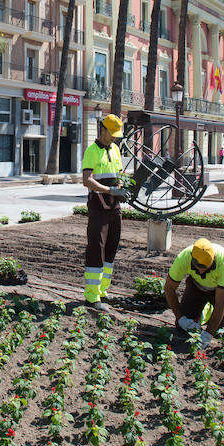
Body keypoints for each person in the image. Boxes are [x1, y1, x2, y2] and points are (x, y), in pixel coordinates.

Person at [81, 113, 126, 312]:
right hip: (98, 207)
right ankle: (91, 297)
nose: (115, 137)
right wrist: (109, 190)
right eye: (113, 133)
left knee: (111, 248)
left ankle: (102, 292)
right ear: (103, 130)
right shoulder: (92, 151)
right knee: (96, 249)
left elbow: (119, 175)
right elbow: (86, 180)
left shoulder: (115, 149)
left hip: (114, 207)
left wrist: (121, 187)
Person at [164, 237, 224, 348]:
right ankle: (203, 314)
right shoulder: (184, 257)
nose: (201, 271)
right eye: (198, 267)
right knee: (182, 327)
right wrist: (181, 319)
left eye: (206, 268)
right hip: (197, 286)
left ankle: (209, 314)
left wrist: (207, 335)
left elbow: (222, 303)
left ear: (213, 260)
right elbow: (169, 288)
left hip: (220, 290)